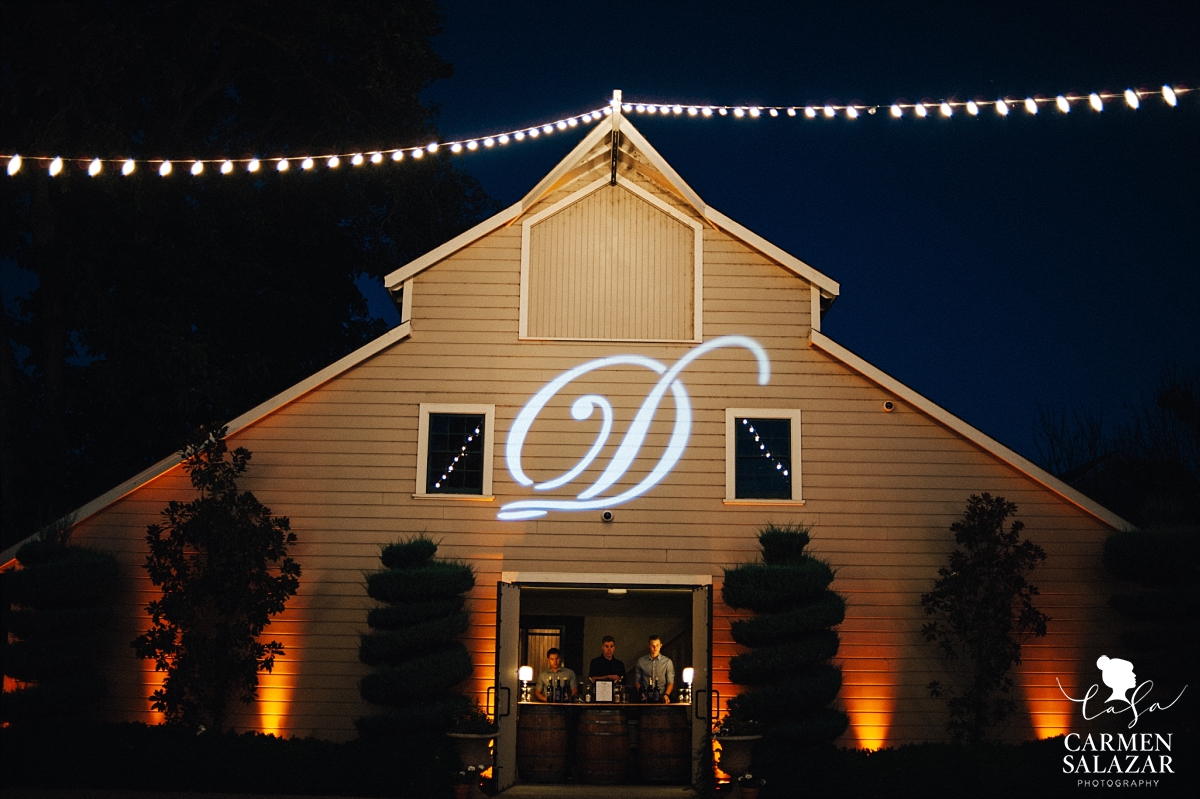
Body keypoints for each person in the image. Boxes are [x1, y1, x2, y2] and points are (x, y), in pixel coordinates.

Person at [634, 634, 675, 703]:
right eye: (653, 645)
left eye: (657, 645)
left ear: (661, 646)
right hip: (646, 698)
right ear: (649, 646)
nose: (655, 647)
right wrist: (642, 693)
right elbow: (637, 681)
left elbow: (670, 682)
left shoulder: (667, 662)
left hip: (662, 697)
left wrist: (666, 695)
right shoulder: (641, 661)